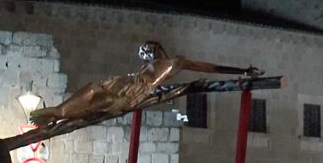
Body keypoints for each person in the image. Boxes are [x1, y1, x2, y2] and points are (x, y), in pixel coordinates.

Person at [29, 42, 261, 126]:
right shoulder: (143, 66)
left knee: (105, 103)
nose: (146, 52)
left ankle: (61, 115)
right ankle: (59, 110)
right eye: (143, 52)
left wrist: (241, 71)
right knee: (93, 88)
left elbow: (208, 67)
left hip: (140, 90)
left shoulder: (174, 62)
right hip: (126, 81)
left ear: (157, 47)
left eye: (147, 48)